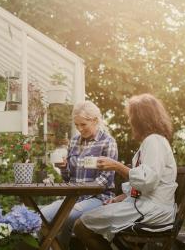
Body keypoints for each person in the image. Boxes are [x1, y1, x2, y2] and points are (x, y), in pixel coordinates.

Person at [74, 93, 178, 250]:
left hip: (153, 211)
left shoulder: (154, 141)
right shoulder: (152, 142)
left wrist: (117, 166)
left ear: (140, 119)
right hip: (147, 206)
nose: (130, 121)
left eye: (131, 117)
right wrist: (121, 197)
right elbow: (145, 186)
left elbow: (146, 181)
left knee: (82, 225)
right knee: (87, 222)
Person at [40, 100, 118, 250]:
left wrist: (79, 191)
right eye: (77, 125)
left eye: (83, 125)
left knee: (67, 217)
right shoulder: (75, 141)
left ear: (95, 120)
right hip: (73, 198)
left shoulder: (108, 142)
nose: (80, 129)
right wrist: (64, 168)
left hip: (98, 198)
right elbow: (69, 178)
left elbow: (104, 181)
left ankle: (60, 247)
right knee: (42, 216)